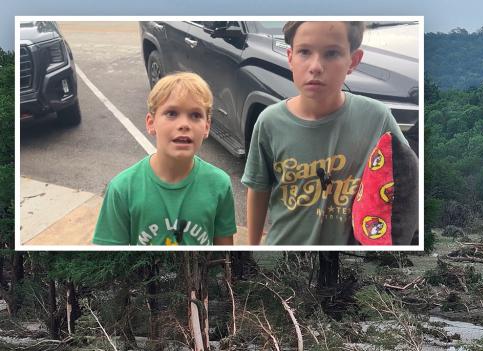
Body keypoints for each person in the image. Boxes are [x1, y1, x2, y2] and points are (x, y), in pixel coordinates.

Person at [242, 20, 417, 246]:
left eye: (332, 53)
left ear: (353, 61)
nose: (315, 66)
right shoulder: (269, 121)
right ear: (290, 57)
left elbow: (406, 183)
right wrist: (253, 247)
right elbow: (258, 188)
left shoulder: (377, 118)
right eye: (304, 52)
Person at [92, 72, 236, 246]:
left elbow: (225, 255)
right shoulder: (122, 189)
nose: (184, 124)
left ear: (206, 127)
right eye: (172, 113)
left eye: (195, 115)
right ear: (151, 123)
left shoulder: (219, 184)